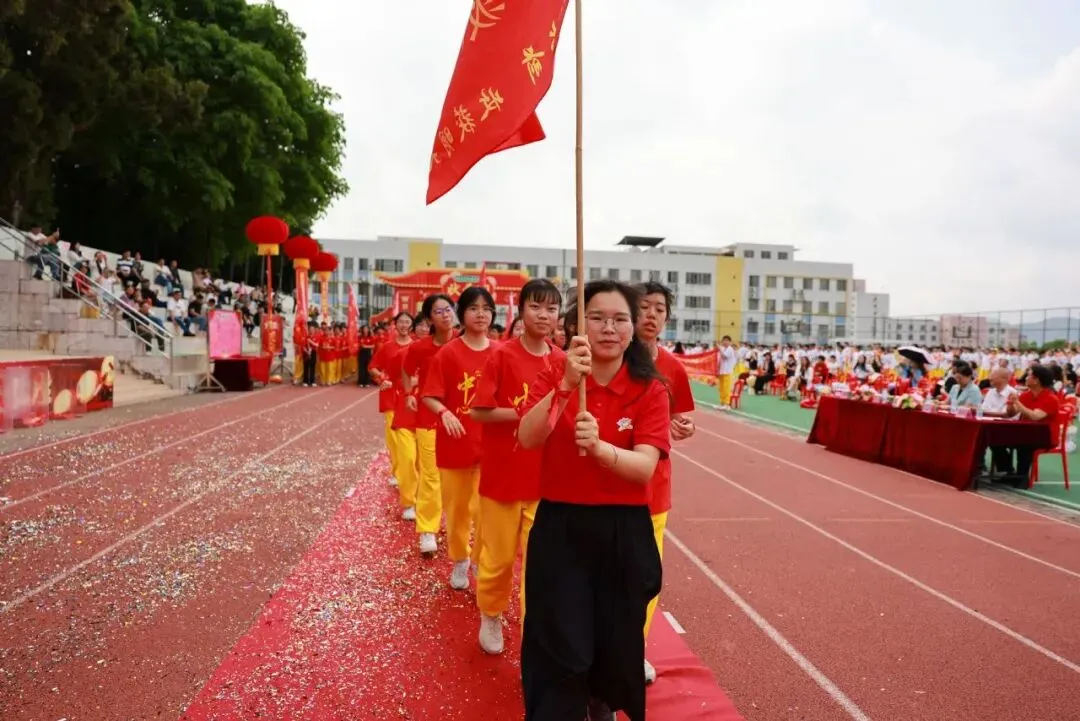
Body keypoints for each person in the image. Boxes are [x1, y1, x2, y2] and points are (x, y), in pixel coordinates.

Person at [517, 280, 670, 721]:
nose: (609, 328)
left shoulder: (648, 388)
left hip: (622, 531)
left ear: (633, 328)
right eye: (597, 318)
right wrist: (565, 386)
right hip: (562, 526)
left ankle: (601, 703)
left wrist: (603, 450)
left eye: (620, 319)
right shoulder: (555, 373)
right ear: (576, 326)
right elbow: (527, 437)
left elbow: (644, 467)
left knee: (615, 639)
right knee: (559, 640)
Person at [470, 279, 564, 655]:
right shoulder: (501, 356)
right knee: (499, 558)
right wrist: (527, 415)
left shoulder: (563, 362)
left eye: (551, 309)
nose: (544, 315)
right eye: (536, 307)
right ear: (521, 311)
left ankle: (533, 631)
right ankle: (491, 613)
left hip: (546, 480)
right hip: (503, 476)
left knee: (541, 564)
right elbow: (479, 411)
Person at [633, 282, 695, 686]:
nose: (652, 315)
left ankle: (633, 649)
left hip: (655, 488)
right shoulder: (613, 359)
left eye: (660, 309)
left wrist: (682, 427)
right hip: (612, 485)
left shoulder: (672, 366)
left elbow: (679, 418)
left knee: (646, 577)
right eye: (644, 307)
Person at [421, 286, 495, 588]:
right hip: (456, 444)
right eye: (474, 308)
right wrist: (445, 412)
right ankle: (461, 559)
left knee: (486, 509)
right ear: (462, 314)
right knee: (458, 511)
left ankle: (478, 557)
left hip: (492, 446)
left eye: (486, 308)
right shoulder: (448, 353)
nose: (481, 314)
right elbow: (429, 395)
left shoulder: (501, 352)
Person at [402, 294, 456, 555]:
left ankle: (459, 527)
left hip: (461, 420)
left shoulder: (465, 344)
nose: (445, 315)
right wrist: (409, 393)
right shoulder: (419, 348)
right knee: (431, 475)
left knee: (457, 479)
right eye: (438, 311)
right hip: (429, 418)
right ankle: (428, 529)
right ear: (429, 319)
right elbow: (406, 370)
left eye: (448, 309)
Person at [369, 312, 415, 497]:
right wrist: (382, 377)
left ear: (411, 325)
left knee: (407, 440)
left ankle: (407, 472)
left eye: (407, 322)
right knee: (394, 439)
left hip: (409, 398)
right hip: (389, 397)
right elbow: (373, 367)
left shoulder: (416, 347)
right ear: (395, 325)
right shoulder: (387, 347)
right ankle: (398, 471)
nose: (404, 325)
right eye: (401, 322)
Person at [1004, 364, 1061, 485]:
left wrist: (1017, 402)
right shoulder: (1026, 395)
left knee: (1024, 444)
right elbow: (1011, 413)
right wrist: (1010, 405)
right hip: (1027, 432)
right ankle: (1007, 471)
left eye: (1029, 375)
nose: (1026, 378)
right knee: (997, 439)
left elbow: (1035, 416)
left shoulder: (1051, 398)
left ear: (1036, 380)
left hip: (1045, 436)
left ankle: (1022, 477)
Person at [716, 335, 736, 408]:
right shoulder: (723, 348)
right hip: (721, 371)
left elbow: (724, 356)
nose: (725, 342)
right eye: (724, 340)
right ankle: (722, 403)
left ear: (730, 342)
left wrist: (719, 348)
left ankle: (727, 404)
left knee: (726, 388)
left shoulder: (730, 349)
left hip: (728, 372)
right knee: (721, 388)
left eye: (727, 341)